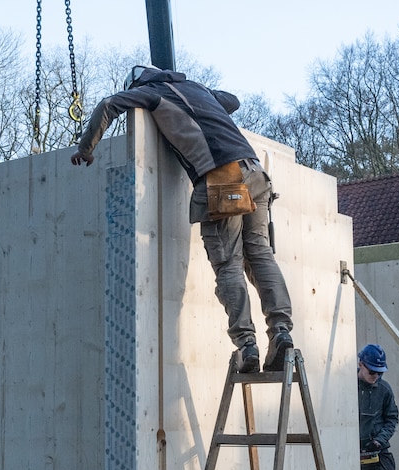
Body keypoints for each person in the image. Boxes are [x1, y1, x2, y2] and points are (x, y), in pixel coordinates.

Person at [71, 65, 294, 373]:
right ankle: (281, 331)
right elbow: (232, 101)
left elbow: (109, 105)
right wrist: (205, 94)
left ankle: (247, 346)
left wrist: (86, 149)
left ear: (137, 85)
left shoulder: (151, 93)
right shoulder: (198, 91)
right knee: (261, 256)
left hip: (223, 178)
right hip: (256, 173)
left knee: (229, 264)